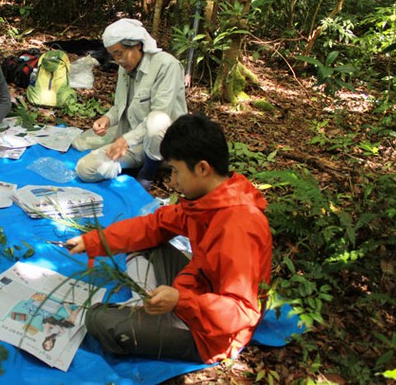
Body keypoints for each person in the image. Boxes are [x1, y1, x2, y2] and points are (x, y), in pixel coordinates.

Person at [66, 114, 272, 364]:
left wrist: (180, 301)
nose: (172, 181)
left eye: (176, 171)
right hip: (195, 289)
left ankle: (153, 318)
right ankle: (153, 312)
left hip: (210, 334)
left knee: (98, 320)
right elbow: (154, 226)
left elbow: (242, 311)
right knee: (144, 243)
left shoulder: (238, 227)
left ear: (203, 168)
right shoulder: (208, 201)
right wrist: (93, 242)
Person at [71, 18, 187, 189]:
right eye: (113, 55)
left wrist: (125, 140)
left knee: (157, 120)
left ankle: (149, 170)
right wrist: (108, 119)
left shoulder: (167, 65)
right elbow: (121, 106)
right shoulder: (124, 67)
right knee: (84, 167)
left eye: (119, 53)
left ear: (137, 46)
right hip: (133, 136)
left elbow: (161, 115)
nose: (117, 60)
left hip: (163, 141)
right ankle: (135, 163)